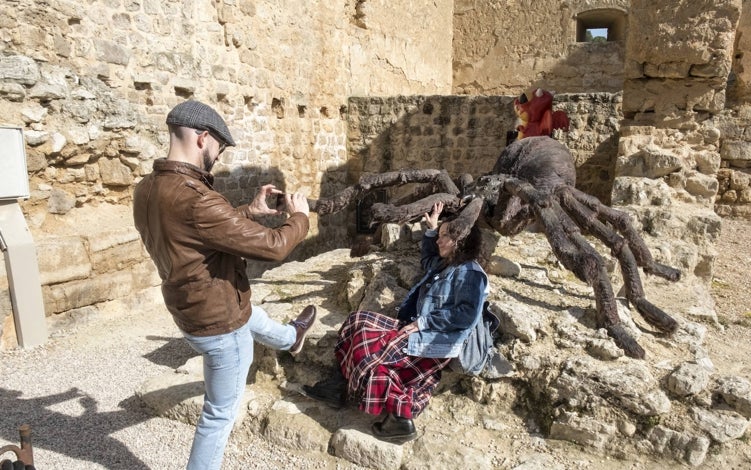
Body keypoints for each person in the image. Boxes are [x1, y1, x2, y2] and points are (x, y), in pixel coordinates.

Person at [132, 100, 317, 470]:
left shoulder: (148, 188)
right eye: (220, 147)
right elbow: (274, 246)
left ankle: (289, 337)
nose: (218, 156)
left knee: (253, 314)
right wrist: (299, 218)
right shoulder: (199, 200)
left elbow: (197, 231)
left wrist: (249, 212)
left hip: (190, 305)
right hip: (219, 325)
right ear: (203, 138)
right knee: (218, 417)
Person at [303, 201, 489, 443]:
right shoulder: (445, 265)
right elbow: (427, 257)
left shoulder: (470, 273)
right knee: (357, 320)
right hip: (416, 329)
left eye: (444, 237)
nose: (438, 241)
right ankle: (339, 386)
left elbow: (465, 315)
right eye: (439, 236)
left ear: (460, 241)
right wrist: (433, 228)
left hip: (434, 341)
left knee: (372, 355)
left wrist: (424, 323)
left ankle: (400, 418)